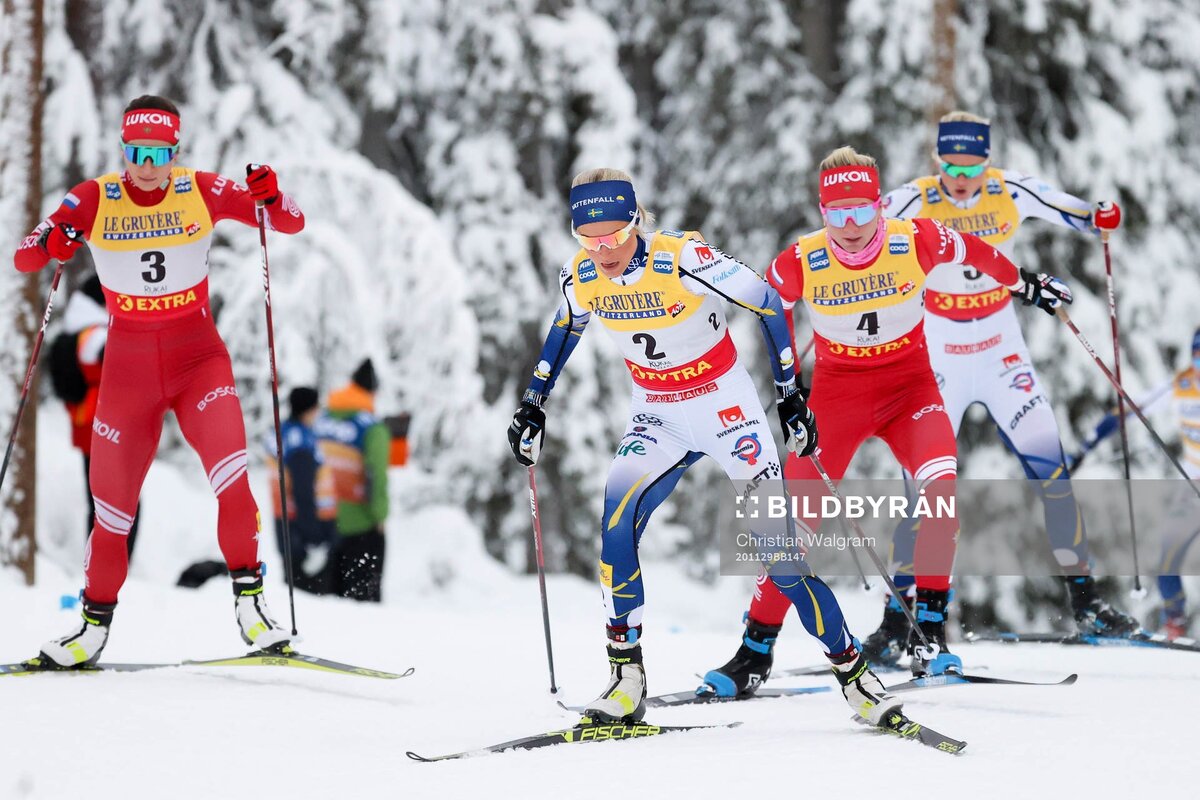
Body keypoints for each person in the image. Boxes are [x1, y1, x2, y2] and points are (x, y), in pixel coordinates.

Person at [507, 166, 902, 728]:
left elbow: (767, 300)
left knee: (782, 558)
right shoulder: (581, 276)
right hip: (658, 412)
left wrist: (789, 395)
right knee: (615, 530)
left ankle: (855, 676)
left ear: (636, 222)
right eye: (589, 239)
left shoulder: (682, 259)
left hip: (724, 404)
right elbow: (566, 328)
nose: (604, 250)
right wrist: (533, 402)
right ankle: (626, 678)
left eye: (616, 236)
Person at [703, 146, 1073, 689]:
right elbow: (769, 307)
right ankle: (755, 650)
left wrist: (1022, 283)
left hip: (911, 392)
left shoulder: (914, 238)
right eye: (837, 214)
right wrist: (789, 387)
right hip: (837, 399)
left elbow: (976, 250)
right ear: (822, 212)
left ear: (880, 205)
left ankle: (929, 638)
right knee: (794, 526)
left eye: (862, 211)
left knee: (940, 497)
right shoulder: (802, 259)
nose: (851, 226)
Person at [14, 94, 305, 666]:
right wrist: (55, 241)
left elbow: (288, 220)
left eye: (158, 153)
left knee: (233, 478)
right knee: (112, 511)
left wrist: (270, 194)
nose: (146, 165)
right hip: (128, 372)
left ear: (175, 153)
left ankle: (251, 606)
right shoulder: (95, 197)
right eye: (136, 152)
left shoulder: (200, 188)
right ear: (123, 150)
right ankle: (91, 631)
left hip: (199, 361)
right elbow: (26, 257)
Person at [858, 111, 1137, 661]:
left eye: (972, 164)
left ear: (986, 160)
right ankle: (897, 620)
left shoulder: (1010, 190)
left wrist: (1099, 215)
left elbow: (1081, 215)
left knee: (1050, 469)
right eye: (952, 164)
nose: (962, 178)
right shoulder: (914, 199)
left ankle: (1087, 602)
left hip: (1000, 344)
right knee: (924, 490)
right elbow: (859, 229)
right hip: (937, 348)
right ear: (939, 160)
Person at [1073, 327, 1200, 639]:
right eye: (1198, 355)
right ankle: (1175, 625)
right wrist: (1084, 448)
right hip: (1190, 486)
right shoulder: (1181, 385)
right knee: (1167, 558)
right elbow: (1127, 410)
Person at [48, 274, 140, 558]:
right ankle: (113, 560)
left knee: (99, 498)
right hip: (109, 425)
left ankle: (101, 558)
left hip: (86, 424)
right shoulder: (97, 335)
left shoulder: (77, 329)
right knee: (122, 500)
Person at [315, 359, 389, 602]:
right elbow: (376, 475)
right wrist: (379, 515)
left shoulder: (323, 419)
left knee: (329, 598)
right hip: (361, 525)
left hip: (325, 521)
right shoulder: (372, 428)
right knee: (363, 598)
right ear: (372, 391)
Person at [264, 386, 337, 592]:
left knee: (294, 585)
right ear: (309, 409)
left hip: (286, 525)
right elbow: (303, 490)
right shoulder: (300, 441)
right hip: (304, 530)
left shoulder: (282, 433)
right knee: (309, 595)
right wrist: (314, 539)